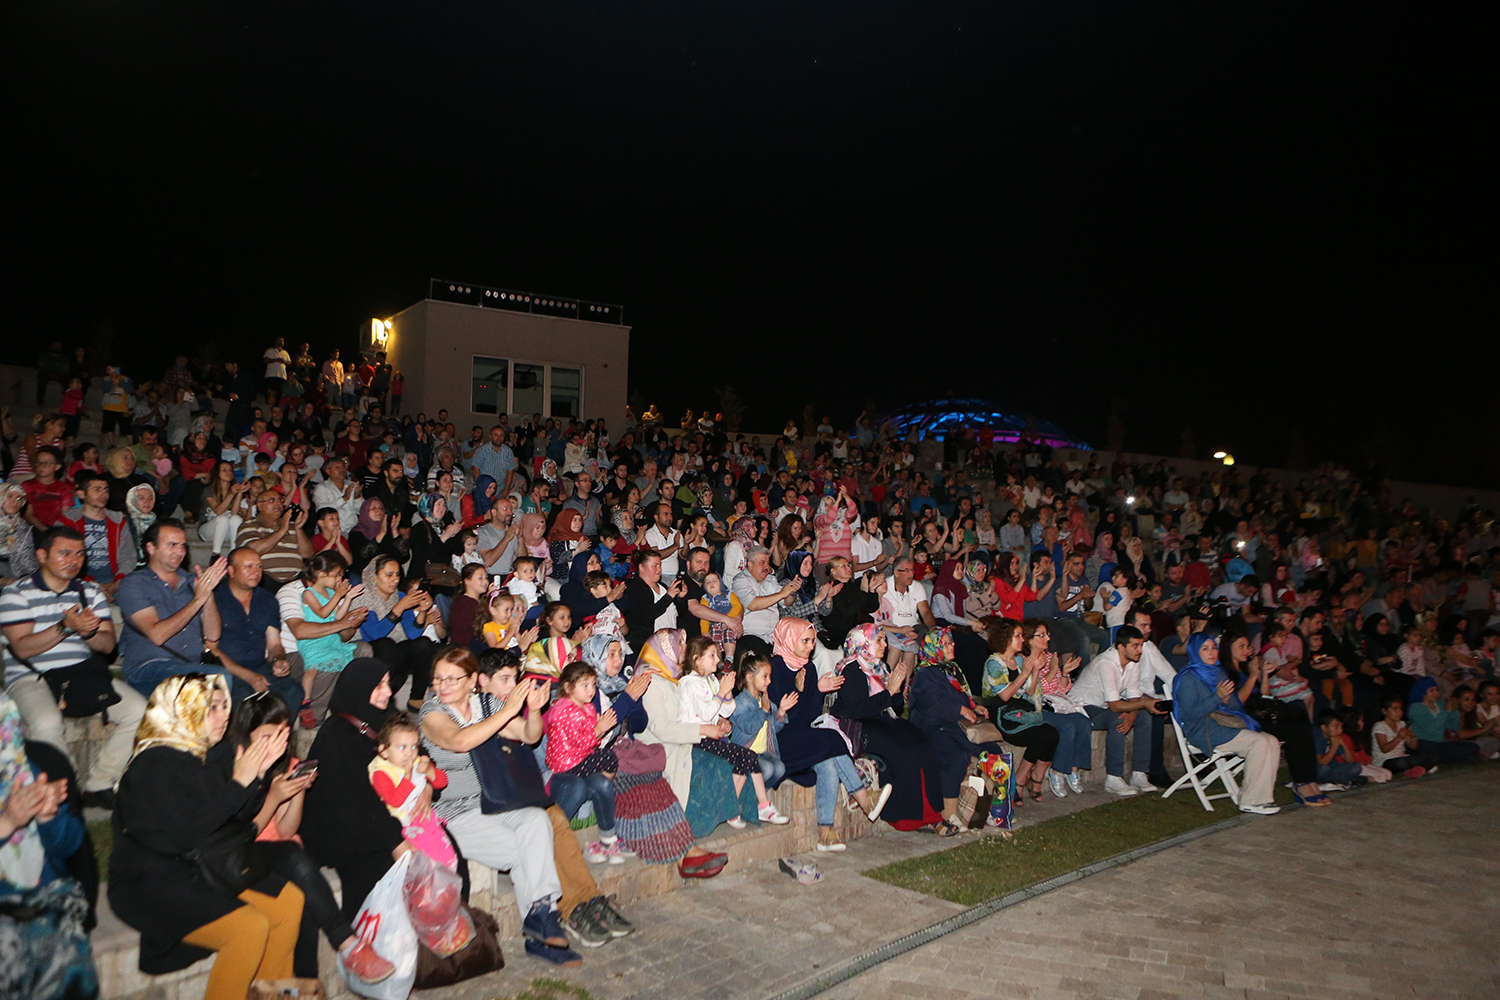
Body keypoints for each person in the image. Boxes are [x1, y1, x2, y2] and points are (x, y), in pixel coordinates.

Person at [419, 647, 629, 961]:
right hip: (456, 813)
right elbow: (460, 741)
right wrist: (507, 710)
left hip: (495, 802)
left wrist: (531, 710)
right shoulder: (433, 712)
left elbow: (530, 736)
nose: (443, 685)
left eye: (452, 678)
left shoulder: (484, 704)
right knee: (529, 852)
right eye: (438, 678)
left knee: (536, 822)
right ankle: (542, 927)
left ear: (472, 680)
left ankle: (540, 917)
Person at [109, 674, 307, 1000]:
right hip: (149, 883)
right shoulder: (153, 763)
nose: (223, 715)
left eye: (223, 705)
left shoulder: (196, 757)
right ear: (183, 709)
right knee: (248, 928)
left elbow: (231, 825)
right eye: (211, 707)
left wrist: (257, 777)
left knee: (288, 902)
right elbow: (186, 835)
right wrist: (239, 784)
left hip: (197, 870)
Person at [1, 525, 144, 808]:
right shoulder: (16, 593)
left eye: (79, 554)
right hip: (31, 676)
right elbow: (23, 647)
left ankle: (100, 783)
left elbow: (107, 645)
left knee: (139, 711)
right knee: (46, 723)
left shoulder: (89, 592)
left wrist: (87, 632)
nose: (74, 561)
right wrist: (66, 627)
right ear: (42, 556)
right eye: (64, 553)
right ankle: (64, 792)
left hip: (80, 673)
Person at [0, 688, 99, 1000]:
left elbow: (71, 846)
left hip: (44, 903)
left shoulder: (31, 765)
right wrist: (8, 822)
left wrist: (47, 817)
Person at [765, 619, 889, 850]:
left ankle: (825, 832)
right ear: (789, 639)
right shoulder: (773, 669)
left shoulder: (808, 668)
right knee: (831, 738)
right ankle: (862, 797)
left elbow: (808, 716)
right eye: (805, 640)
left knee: (828, 764)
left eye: (812, 641)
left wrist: (816, 691)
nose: (811, 646)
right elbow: (784, 721)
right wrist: (805, 691)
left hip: (803, 736)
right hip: (779, 740)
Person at [829, 623, 946, 829]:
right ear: (863, 643)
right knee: (901, 750)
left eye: (884, 639)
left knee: (924, 744)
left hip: (882, 718)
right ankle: (905, 817)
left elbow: (897, 706)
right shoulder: (851, 670)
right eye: (879, 640)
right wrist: (889, 692)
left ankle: (932, 814)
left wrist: (896, 690)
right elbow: (859, 709)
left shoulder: (880, 667)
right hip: (859, 724)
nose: (885, 644)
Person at [1170, 632, 1282, 816]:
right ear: (1194, 651)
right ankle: (1251, 801)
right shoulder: (1188, 677)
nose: (1211, 652)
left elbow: (1235, 705)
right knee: (1259, 743)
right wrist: (1217, 697)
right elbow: (1190, 714)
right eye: (1204, 649)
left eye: (1213, 647)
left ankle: (1262, 798)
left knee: (1271, 741)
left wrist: (1227, 698)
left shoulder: (1218, 672)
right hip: (1201, 728)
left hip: (1221, 724)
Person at [116, 520, 231, 697]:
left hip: (190, 665)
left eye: (183, 546)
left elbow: (213, 636)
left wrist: (207, 596)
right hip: (148, 669)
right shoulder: (134, 583)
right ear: (151, 548)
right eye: (172, 545)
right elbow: (157, 635)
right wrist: (198, 600)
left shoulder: (191, 581)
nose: (179, 552)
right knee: (216, 678)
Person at [906, 626, 1001, 834]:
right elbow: (932, 703)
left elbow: (961, 695)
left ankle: (988, 808)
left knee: (991, 751)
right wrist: (960, 709)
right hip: (932, 727)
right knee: (954, 755)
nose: (952, 646)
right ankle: (949, 813)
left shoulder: (950, 669)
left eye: (951, 642)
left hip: (953, 725)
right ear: (934, 648)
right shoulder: (924, 674)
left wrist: (974, 706)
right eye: (946, 644)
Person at [543, 662, 628, 861]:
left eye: (593, 684)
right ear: (568, 687)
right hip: (565, 765)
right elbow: (580, 740)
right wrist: (599, 729)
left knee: (603, 783)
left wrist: (597, 729)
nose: (591, 690)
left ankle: (608, 841)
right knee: (608, 758)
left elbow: (589, 742)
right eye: (585, 685)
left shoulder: (585, 707)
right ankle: (548, 841)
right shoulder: (564, 709)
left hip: (578, 759)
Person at [1070, 626, 1168, 796]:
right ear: (1121, 647)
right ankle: (1113, 777)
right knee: (1118, 718)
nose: (1139, 650)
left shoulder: (1133, 662)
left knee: (1144, 717)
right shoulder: (1106, 663)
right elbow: (1115, 705)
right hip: (1082, 706)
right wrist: (1143, 705)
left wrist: (1134, 713)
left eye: (1141, 646)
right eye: (1135, 646)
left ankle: (1139, 773)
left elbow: (1134, 697)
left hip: (1103, 706)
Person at [212, 548, 304, 713]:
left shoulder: (267, 600)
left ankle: (277, 738)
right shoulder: (215, 599)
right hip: (225, 670)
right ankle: (246, 739)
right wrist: (249, 676)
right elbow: (210, 649)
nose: (256, 572)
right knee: (245, 699)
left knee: (293, 691)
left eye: (259, 566)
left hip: (259, 668)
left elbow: (274, 644)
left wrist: (278, 660)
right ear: (231, 571)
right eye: (249, 567)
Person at [352, 554, 444, 712]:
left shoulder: (399, 596)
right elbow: (375, 634)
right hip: (370, 653)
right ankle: (381, 695)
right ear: (374, 577)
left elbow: (413, 634)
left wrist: (422, 611)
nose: (395, 580)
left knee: (423, 644)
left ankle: (416, 699)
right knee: (385, 644)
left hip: (395, 653)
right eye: (389, 575)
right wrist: (399, 608)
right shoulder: (362, 598)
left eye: (397, 575)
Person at [368, 714, 458, 870]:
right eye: (402, 747)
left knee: (447, 855)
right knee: (429, 862)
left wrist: (429, 771)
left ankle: (447, 875)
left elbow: (442, 781)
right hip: (404, 827)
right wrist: (408, 776)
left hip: (425, 820)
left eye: (414, 746)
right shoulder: (381, 772)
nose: (409, 753)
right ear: (384, 751)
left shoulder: (416, 762)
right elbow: (394, 800)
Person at [236, 491, 313, 592]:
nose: (278, 504)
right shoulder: (249, 525)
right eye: (271, 500)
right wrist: (282, 531)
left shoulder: (291, 525)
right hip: (265, 580)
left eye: (280, 500)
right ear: (259, 505)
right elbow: (252, 550)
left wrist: (298, 529)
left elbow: (308, 554)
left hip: (295, 580)